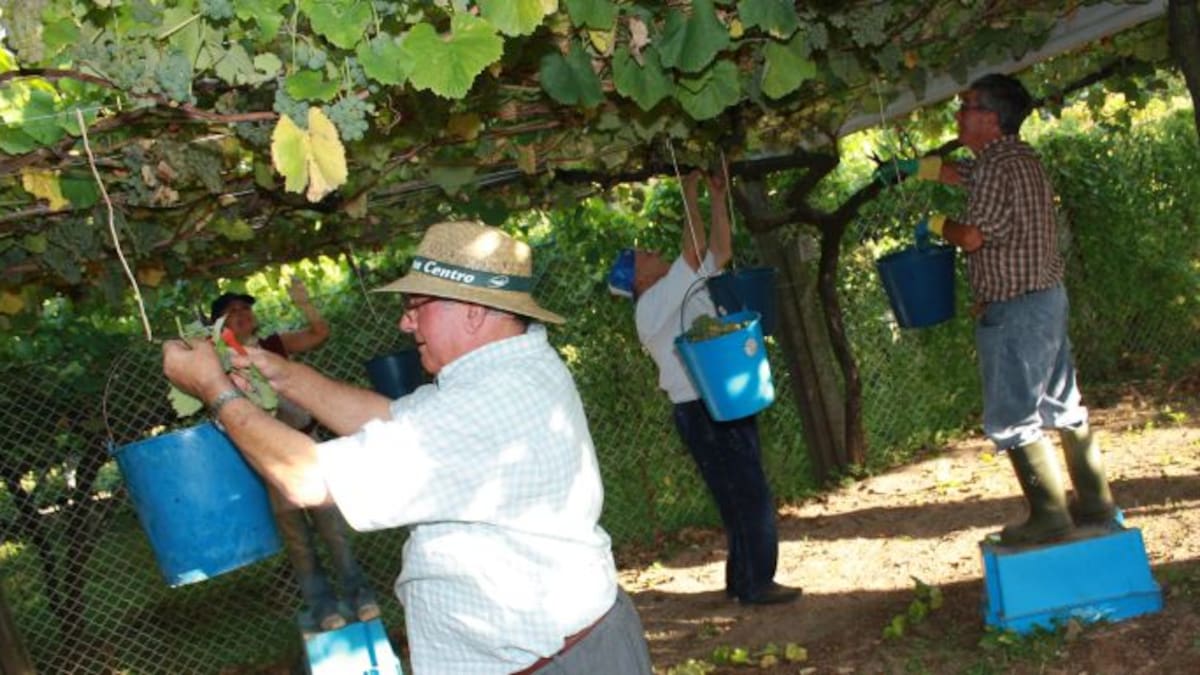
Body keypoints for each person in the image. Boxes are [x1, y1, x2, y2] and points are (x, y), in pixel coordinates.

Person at [169, 221, 653, 674]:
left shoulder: (488, 403)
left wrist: (218, 392)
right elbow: (389, 418)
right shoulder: (506, 371)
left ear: (473, 311)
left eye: (416, 305)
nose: (405, 323)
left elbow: (308, 477)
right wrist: (280, 373)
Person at [874, 73, 1118, 545]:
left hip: (1016, 309)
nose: (957, 116)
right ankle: (1095, 503)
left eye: (965, 107)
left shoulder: (992, 167)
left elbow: (972, 237)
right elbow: (959, 174)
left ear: (989, 117)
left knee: (1012, 415)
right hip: (1046, 300)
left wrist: (936, 223)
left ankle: (1049, 518)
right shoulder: (1019, 159)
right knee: (1062, 403)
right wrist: (912, 167)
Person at [608, 169, 799, 605]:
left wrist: (717, 197)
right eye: (643, 254)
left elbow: (720, 250)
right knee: (746, 493)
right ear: (637, 280)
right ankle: (755, 584)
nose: (653, 251)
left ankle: (744, 581)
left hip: (719, 401)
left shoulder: (681, 286)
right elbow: (695, 251)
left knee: (740, 494)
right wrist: (689, 192)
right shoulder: (651, 305)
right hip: (702, 408)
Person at [210, 280, 380, 632]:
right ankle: (323, 607)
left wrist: (304, 303)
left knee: (333, 528)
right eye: (233, 311)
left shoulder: (275, 345)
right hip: (269, 457)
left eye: (246, 308)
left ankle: (361, 597)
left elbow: (319, 333)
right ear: (219, 325)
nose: (242, 314)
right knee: (298, 540)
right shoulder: (219, 363)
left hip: (307, 446)